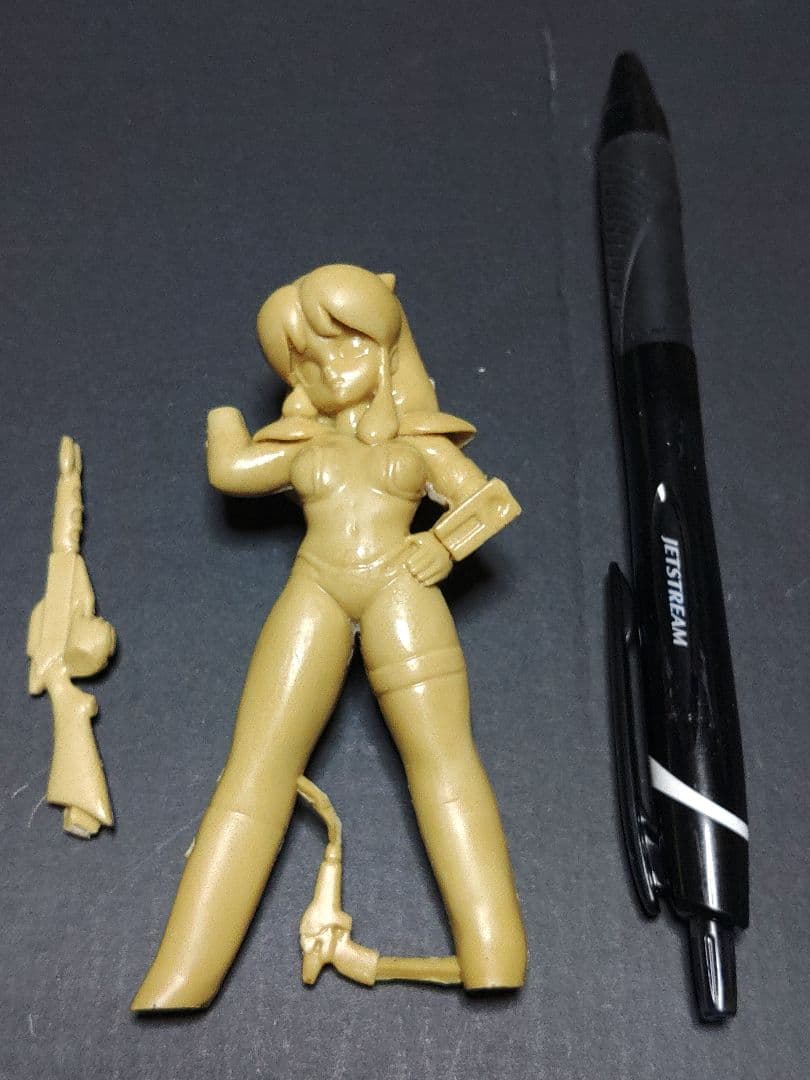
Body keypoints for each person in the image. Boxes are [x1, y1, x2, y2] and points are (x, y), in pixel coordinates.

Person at [132, 264, 527, 1010]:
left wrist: (443, 545)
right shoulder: (302, 442)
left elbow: (490, 500)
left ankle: (493, 951)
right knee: (254, 770)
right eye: (305, 361)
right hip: (315, 588)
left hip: (402, 590)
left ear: (387, 346)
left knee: (443, 761)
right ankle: (181, 974)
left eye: (344, 346)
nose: (327, 368)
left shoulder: (418, 439)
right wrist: (223, 418)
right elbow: (233, 470)